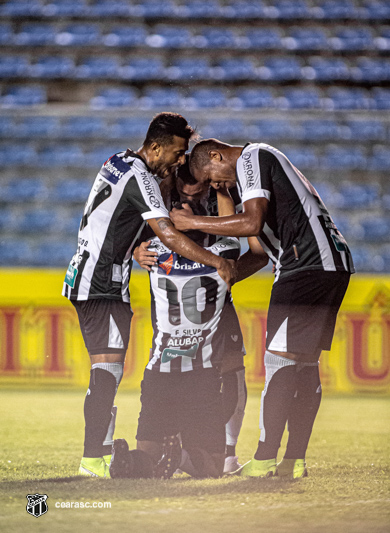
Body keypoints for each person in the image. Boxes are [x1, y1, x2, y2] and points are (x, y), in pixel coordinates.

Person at [62, 115, 235, 478]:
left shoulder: (117, 160)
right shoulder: (142, 176)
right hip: (102, 284)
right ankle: (94, 458)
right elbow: (168, 234)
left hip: (90, 277)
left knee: (106, 371)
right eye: (176, 152)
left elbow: (125, 221)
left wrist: (136, 248)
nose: (179, 160)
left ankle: (102, 455)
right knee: (107, 372)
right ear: (155, 147)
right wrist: (215, 261)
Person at [170, 139, 355, 479]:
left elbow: (251, 223)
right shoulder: (249, 180)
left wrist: (191, 224)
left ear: (216, 155)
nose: (215, 186)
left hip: (305, 265)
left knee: (279, 361)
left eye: (212, 179)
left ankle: (264, 458)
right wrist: (221, 278)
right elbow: (257, 252)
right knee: (303, 365)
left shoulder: (253, 155)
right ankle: (292, 461)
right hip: (328, 264)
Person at [133, 158, 268, 473]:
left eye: (200, 190)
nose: (189, 200)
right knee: (205, 374)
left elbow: (249, 252)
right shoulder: (165, 211)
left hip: (216, 299)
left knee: (232, 369)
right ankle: (186, 451)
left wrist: (223, 271)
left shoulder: (214, 202)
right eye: (184, 195)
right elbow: (252, 252)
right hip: (209, 284)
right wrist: (138, 251)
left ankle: (226, 450)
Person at [110, 207, 242, 480]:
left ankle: (129, 462)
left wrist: (137, 251)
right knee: (213, 468)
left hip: (159, 374)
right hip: (201, 376)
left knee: (147, 457)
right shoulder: (224, 252)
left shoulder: (152, 250)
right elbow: (242, 237)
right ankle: (178, 456)